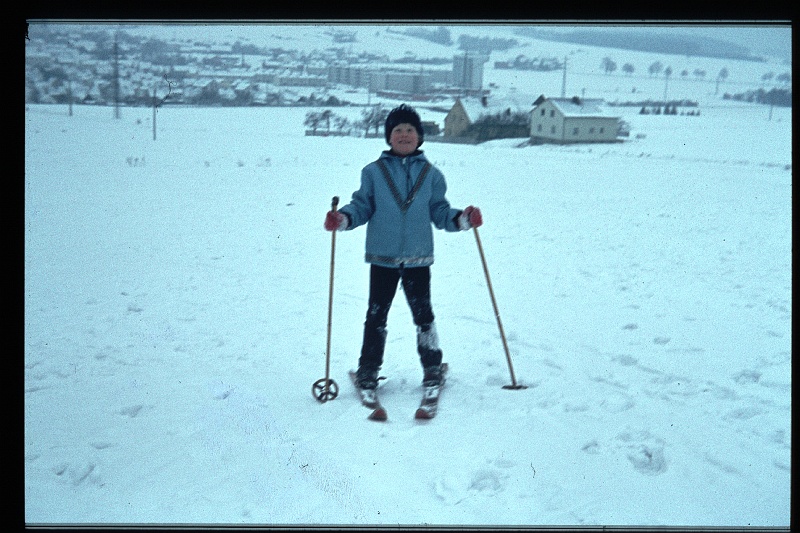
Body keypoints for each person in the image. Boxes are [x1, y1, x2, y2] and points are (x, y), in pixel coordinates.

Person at [324, 103, 483, 390]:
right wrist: (343, 218)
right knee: (376, 314)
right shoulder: (373, 172)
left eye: (410, 130)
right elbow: (362, 206)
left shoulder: (432, 175)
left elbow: (439, 210)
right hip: (382, 258)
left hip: (418, 258)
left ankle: (432, 366)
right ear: (389, 137)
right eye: (398, 130)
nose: (404, 135)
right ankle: (368, 369)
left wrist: (463, 219)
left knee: (424, 315)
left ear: (420, 136)